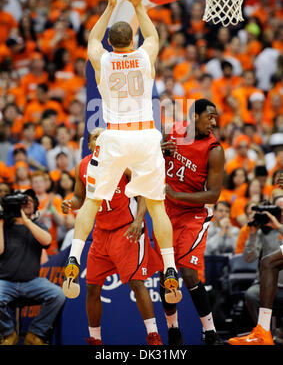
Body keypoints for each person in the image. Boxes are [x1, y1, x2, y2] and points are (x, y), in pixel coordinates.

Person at [64, 0, 181, 304]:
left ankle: (74, 257)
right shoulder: (145, 57)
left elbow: (91, 37)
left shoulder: (102, 60)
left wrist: (111, 5)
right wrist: (140, 5)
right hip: (145, 135)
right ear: (131, 39)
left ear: (112, 43)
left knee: (90, 201)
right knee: (157, 206)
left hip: (114, 136)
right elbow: (153, 35)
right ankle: (170, 267)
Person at [61, 128, 164, 345]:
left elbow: (142, 192)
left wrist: (138, 220)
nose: (99, 139)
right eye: (95, 137)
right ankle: (95, 339)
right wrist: (71, 203)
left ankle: (153, 335)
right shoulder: (82, 166)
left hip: (125, 229)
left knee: (137, 282)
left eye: (103, 136)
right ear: (89, 145)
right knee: (91, 287)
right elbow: (80, 197)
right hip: (100, 233)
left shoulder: (123, 163)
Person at [158, 98, 225, 345]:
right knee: (167, 273)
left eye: (215, 117)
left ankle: (210, 333)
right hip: (165, 211)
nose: (214, 122)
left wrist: (177, 195)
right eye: (210, 116)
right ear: (194, 116)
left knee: (187, 271)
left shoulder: (214, 149)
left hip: (194, 213)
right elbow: (149, 164)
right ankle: (173, 331)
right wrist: (159, 152)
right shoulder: (171, 133)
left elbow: (214, 195)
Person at [0, 188, 65, 345]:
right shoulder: (4, 226)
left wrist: (27, 222)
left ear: (35, 205)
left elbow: (47, 241)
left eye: (29, 200)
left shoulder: (37, 225)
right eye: (22, 201)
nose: (26, 203)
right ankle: (8, 333)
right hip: (5, 281)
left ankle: (35, 333)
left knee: (58, 295)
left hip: (32, 281)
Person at [228, 189, 283, 345]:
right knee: (251, 294)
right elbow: (247, 257)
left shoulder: (278, 227)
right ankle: (265, 332)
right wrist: (252, 233)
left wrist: (278, 226)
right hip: (268, 285)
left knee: (268, 262)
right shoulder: (264, 231)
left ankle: (274, 333)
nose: (280, 214)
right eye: (278, 210)